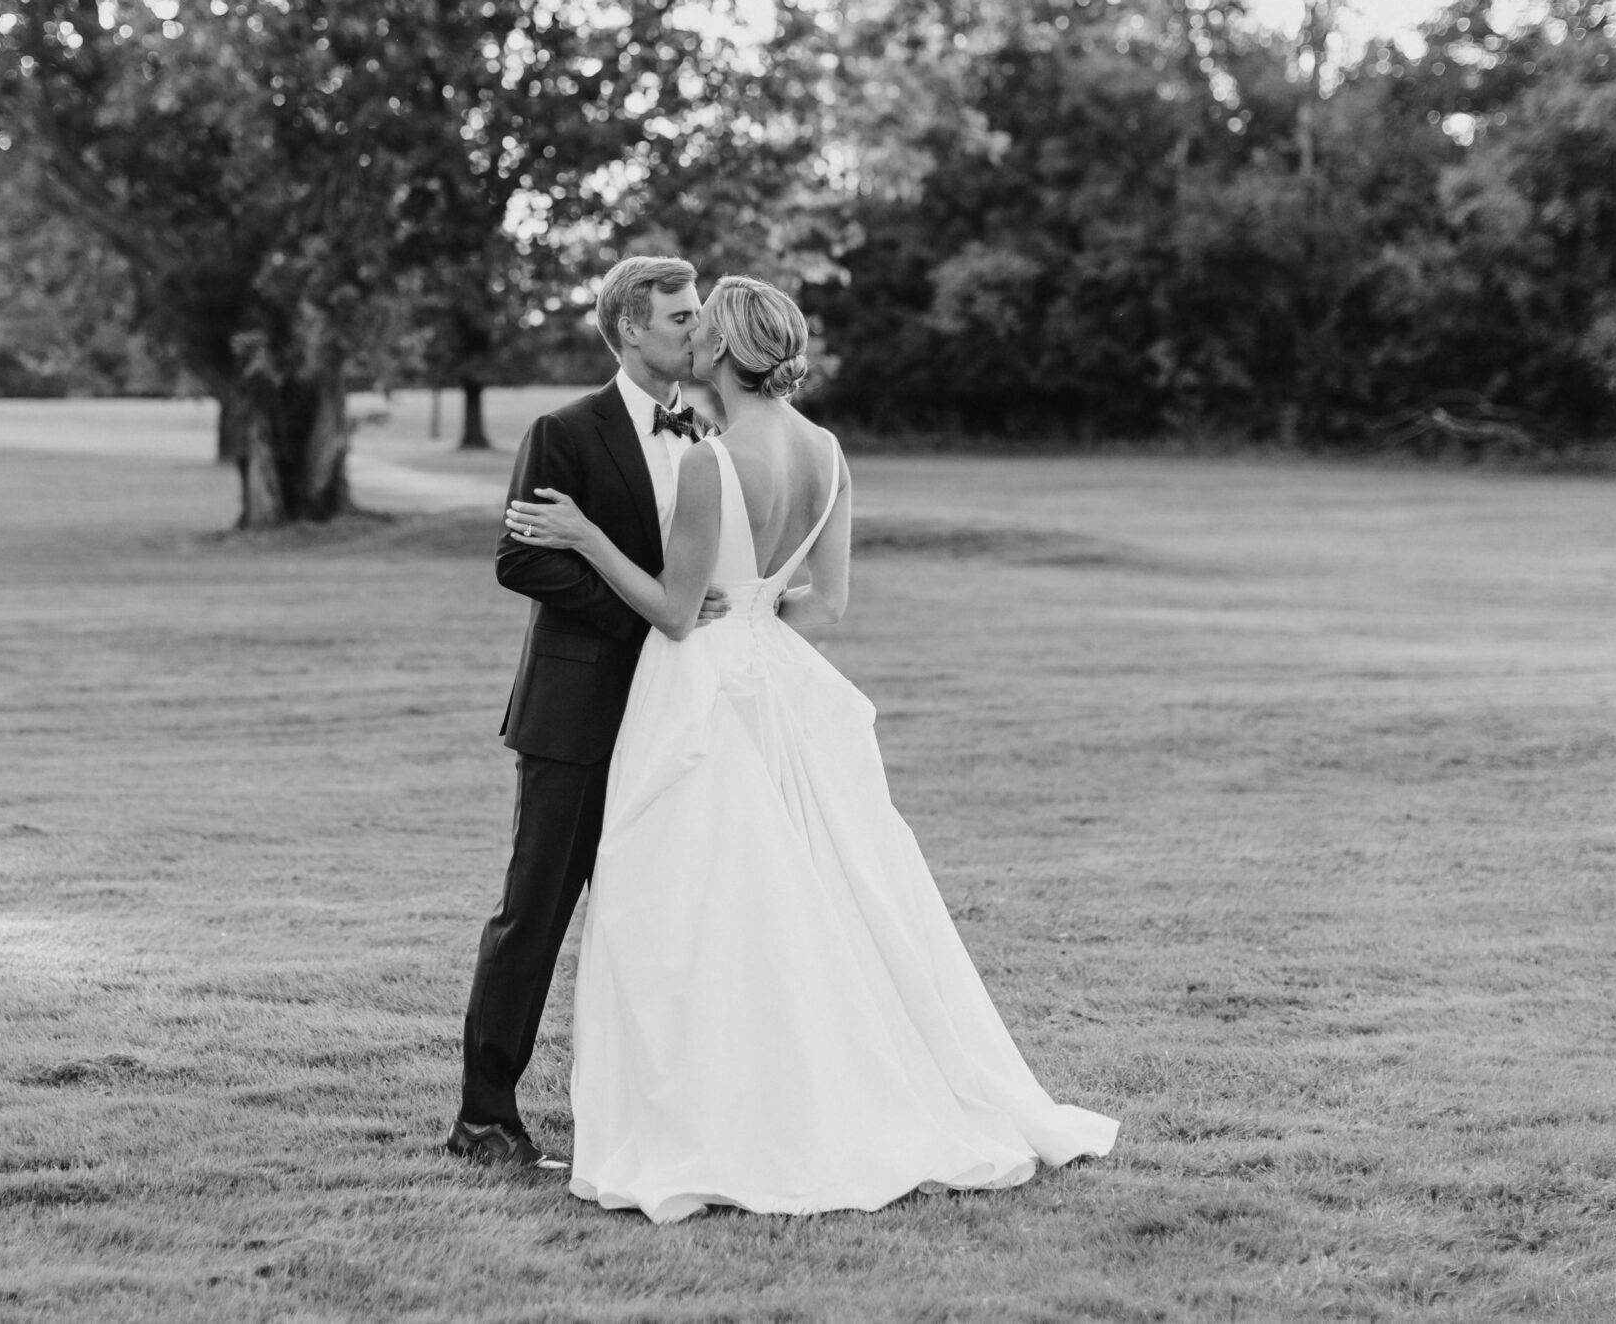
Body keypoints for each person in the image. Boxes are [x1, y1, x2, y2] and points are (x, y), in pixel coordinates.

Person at [504, 275, 1118, 1222]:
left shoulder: (711, 459)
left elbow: (673, 610)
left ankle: (737, 1109)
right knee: (815, 895)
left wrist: (586, 534)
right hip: (780, 682)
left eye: (700, 330)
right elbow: (826, 603)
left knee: (694, 909)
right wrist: (756, 606)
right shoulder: (828, 452)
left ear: (719, 354)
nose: (691, 340)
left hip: (703, 689)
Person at [449, 255, 729, 1169]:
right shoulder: (563, 430)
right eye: (682, 317)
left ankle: (646, 1114)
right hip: (575, 715)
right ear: (631, 330)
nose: (699, 328)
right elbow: (520, 559)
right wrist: (651, 615)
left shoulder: (711, 432)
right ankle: (485, 1117)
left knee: (660, 917)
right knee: (534, 915)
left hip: (677, 718)